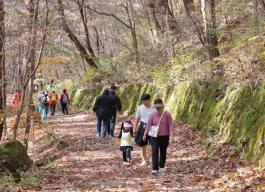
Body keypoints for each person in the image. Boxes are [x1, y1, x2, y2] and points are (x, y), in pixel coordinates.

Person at [143, 98, 175, 175]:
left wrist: (172, 133)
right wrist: (145, 133)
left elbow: (171, 124)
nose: (158, 109)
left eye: (159, 107)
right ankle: (154, 168)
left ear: (162, 107)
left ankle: (162, 166)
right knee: (154, 151)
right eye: (156, 107)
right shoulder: (152, 115)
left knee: (163, 151)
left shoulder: (167, 114)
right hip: (154, 136)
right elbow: (149, 125)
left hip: (165, 136)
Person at [134, 93, 156, 166]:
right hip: (143, 126)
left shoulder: (154, 108)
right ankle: (144, 160)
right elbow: (137, 118)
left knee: (153, 144)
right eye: (143, 102)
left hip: (153, 127)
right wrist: (135, 128)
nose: (144, 103)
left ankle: (152, 158)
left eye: (146, 101)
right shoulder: (140, 108)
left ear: (150, 100)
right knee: (142, 144)